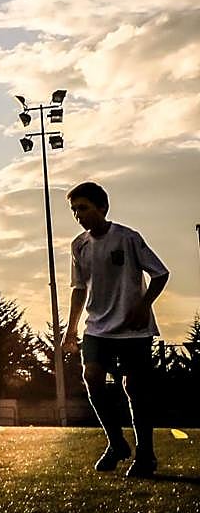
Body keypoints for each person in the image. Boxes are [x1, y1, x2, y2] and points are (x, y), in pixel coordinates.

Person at [62, 181, 169, 479]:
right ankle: (116, 443)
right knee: (92, 377)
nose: (78, 215)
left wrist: (144, 304)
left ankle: (145, 455)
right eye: (74, 210)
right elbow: (79, 288)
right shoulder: (78, 245)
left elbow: (161, 273)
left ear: (102, 207)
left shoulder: (128, 238)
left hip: (133, 329)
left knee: (134, 388)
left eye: (83, 208)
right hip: (97, 328)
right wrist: (71, 329)